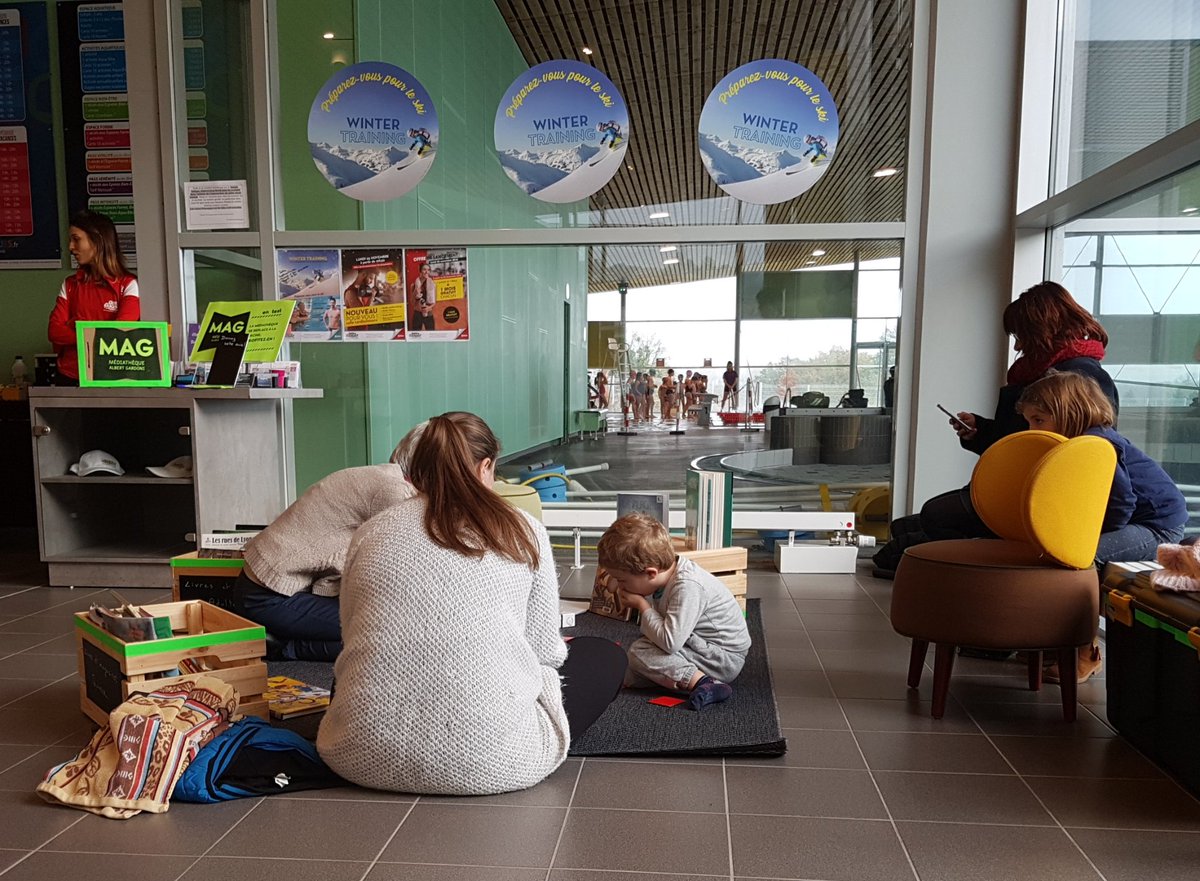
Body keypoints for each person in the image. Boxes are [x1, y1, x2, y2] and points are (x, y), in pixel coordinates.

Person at [318, 412, 626, 795]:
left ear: (418, 471)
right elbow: (545, 650)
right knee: (604, 656)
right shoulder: (523, 530)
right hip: (495, 762)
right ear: (485, 467)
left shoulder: (372, 531)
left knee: (359, 665)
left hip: (357, 755)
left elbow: (353, 631)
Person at [874, 281, 1120, 578]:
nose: (1017, 346)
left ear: (1043, 329)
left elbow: (1076, 451)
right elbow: (1018, 439)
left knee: (930, 518)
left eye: (1021, 336)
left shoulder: (1079, 376)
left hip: (1031, 492)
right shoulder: (1038, 372)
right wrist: (979, 431)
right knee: (908, 526)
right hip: (1012, 483)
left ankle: (962, 565)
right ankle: (942, 559)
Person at [1016, 371, 1187, 682]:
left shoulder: (1098, 443)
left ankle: (1087, 651)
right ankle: (1061, 642)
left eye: (1038, 420)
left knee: (1082, 558)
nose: (1033, 429)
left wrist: (1087, 538)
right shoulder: (1078, 443)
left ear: (1069, 412)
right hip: (1142, 518)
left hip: (1157, 525)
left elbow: (1122, 504)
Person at [234, 424, 426, 661]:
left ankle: (284, 641)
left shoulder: (384, 477)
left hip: (272, 588)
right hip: (269, 597)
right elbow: (411, 562)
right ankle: (284, 648)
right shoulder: (393, 491)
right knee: (385, 630)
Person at [597, 513, 751, 711]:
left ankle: (705, 683)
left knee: (639, 652)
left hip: (723, 658)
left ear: (651, 573)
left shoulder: (687, 586)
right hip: (697, 645)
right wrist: (617, 580)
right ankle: (660, 677)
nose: (619, 585)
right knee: (633, 661)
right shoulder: (663, 572)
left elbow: (670, 643)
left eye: (623, 580)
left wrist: (643, 606)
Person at [47, 210, 139, 385]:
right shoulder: (70, 284)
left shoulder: (129, 285)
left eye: (76, 239)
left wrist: (77, 326)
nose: (70, 247)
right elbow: (54, 332)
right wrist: (98, 332)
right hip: (69, 377)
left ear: (97, 241)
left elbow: (119, 334)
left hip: (113, 379)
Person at [409, 262, 436, 330]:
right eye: (424, 269)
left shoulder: (433, 284)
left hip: (428, 313)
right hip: (417, 314)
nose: (427, 272)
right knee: (415, 335)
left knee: (431, 334)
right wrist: (416, 290)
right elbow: (412, 302)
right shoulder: (413, 285)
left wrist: (428, 308)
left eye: (428, 270)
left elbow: (435, 302)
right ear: (420, 271)